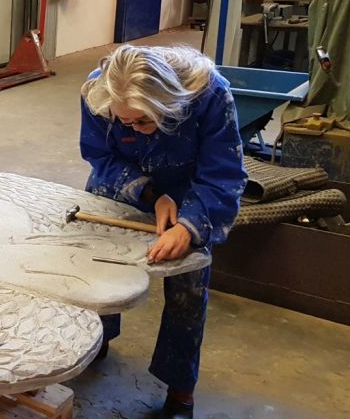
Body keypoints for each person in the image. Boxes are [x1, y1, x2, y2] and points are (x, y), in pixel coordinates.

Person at [79, 45, 248, 419]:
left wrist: (189, 226)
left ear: (171, 105)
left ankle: (180, 389)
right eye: (123, 121)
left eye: (143, 121)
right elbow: (100, 156)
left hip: (192, 194)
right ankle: (98, 337)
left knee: (188, 286)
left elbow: (224, 174)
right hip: (123, 184)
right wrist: (151, 195)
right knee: (99, 266)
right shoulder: (97, 93)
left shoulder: (210, 94)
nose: (133, 128)